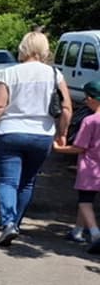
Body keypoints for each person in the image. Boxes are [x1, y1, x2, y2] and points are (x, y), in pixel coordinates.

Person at [0, 31, 72, 246]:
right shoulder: (54, 74)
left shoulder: (10, 73)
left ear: (23, 48)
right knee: (27, 182)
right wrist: (63, 133)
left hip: (10, 132)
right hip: (41, 135)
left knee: (7, 181)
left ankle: (8, 223)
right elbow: (66, 108)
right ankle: (15, 223)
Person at [54, 80, 100, 253]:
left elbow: (80, 147)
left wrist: (59, 149)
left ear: (92, 98)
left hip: (90, 167)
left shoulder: (90, 121)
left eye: (87, 97)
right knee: (87, 201)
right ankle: (78, 231)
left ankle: (96, 234)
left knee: (85, 201)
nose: (86, 100)